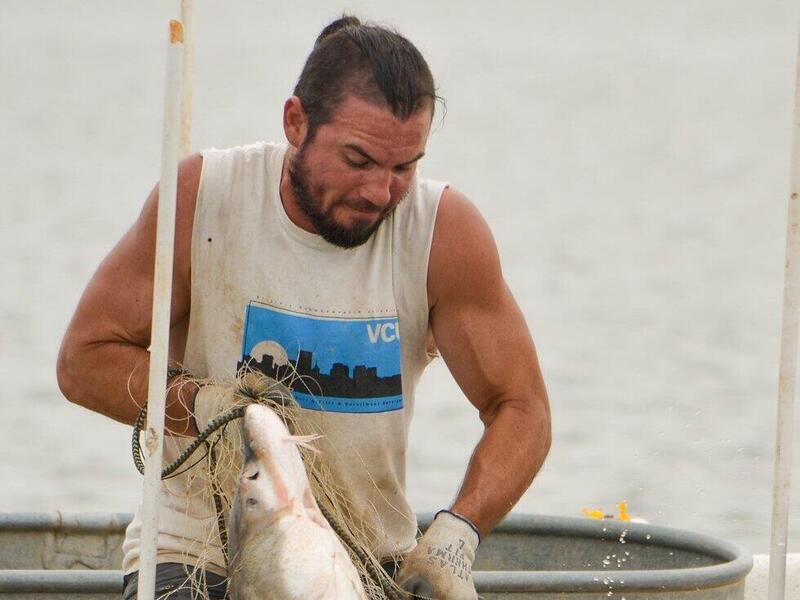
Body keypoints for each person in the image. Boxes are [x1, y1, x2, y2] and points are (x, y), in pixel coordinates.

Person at [57, 15, 551, 600]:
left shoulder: (442, 233)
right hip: (197, 549)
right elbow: (83, 361)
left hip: (366, 555)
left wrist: (458, 534)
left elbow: (522, 408)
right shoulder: (203, 197)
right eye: (358, 160)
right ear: (296, 122)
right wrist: (204, 406)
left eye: (403, 167)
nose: (379, 192)